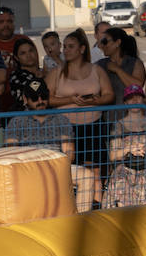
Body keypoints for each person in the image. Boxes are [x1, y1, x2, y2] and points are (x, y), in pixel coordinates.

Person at [5, 76, 99, 212]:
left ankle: (78, 223)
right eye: (34, 98)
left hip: (56, 166)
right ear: (25, 100)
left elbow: (69, 153)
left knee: (87, 176)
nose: (40, 101)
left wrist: (56, 166)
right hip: (27, 169)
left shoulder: (61, 120)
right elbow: (11, 152)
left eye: (43, 97)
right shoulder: (17, 122)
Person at [48, 29, 113, 172]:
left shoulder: (96, 70)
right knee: (69, 170)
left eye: (70, 46)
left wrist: (95, 101)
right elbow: (47, 99)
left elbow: (109, 94)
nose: (66, 50)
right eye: (64, 46)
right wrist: (69, 100)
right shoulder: (56, 72)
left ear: (82, 49)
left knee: (96, 169)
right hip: (65, 127)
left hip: (93, 126)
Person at [101, 85, 146, 208]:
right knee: (119, 182)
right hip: (127, 169)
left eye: (138, 97)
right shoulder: (118, 126)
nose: (134, 101)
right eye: (130, 98)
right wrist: (129, 149)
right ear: (125, 102)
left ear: (143, 100)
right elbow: (113, 155)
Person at [95, 28, 146, 105]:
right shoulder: (100, 64)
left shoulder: (135, 63)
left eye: (105, 42)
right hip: (107, 115)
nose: (102, 45)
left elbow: (137, 87)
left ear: (117, 43)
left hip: (131, 114)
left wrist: (118, 70)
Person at [0, 7, 30, 112]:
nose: (6, 25)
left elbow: (34, 69)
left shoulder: (24, 40)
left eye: (9, 21)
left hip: (23, 105)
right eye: (1, 22)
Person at [5, 38, 44, 111]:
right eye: (23, 53)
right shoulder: (16, 76)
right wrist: (41, 79)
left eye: (31, 51)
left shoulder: (45, 71)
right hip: (27, 117)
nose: (28, 55)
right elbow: (29, 95)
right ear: (16, 58)